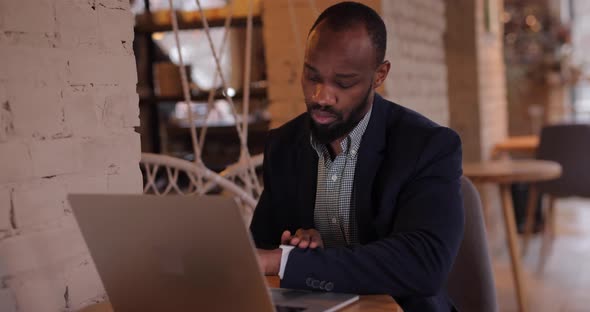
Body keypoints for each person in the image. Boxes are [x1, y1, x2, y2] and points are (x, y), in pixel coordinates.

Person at [250, 2, 464, 311]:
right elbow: (259, 250)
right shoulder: (283, 145)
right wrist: (295, 249)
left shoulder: (427, 147)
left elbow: (424, 263)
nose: (321, 96)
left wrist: (289, 261)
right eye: (312, 76)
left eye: (344, 82)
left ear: (380, 75)